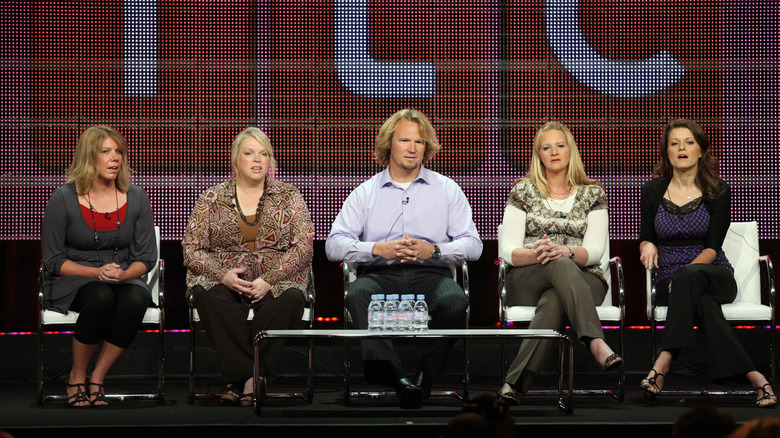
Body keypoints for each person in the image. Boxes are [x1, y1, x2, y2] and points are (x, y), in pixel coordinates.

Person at [325, 108, 483, 408]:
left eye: (419, 142)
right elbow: (334, 245)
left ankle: (425, 375)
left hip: (432, 275)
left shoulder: (447, 189)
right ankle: (398, 379)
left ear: (428, 149)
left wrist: (434, 250)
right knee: (358, 294)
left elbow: (474, 245)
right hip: (380, 275)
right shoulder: (365, 192)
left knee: (453, 301)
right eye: (405, 141)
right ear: (389, 144)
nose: (412, 148)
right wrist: (377, 249)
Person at [639, 119, 777, 408]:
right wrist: (646, 244)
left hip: (715, 275)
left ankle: (662, 362)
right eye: (674, 143)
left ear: (701, 150)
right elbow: (647, 237)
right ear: (666, 151)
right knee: (703, 304)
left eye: (688, 142)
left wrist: (688, 272)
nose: (681, 148)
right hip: (669, 280)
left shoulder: (718, 190)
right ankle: (756, 378)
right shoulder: (652, 191)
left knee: (691, 279)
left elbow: (713, 248)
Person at [183, 127, 314, 407]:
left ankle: (240, 380)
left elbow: (304, 246)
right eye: (249, 153)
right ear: (235, 159)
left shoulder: (289, 196)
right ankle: (252, 377)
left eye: (264, 154)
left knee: (284, 300)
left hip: (278, 278)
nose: (257, 160)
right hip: (225, 277)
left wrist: (270, 278)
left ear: (270, 161)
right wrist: (223, 275)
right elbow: (191, 249)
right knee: (211, 297)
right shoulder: (211, 199)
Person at [497, 121, 622, 403]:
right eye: (546, 147)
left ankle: (513, 384)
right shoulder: (523, 190)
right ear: (538, 154)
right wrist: (540, 253)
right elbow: (508, 250)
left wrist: (564, 252)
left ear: (571, 150)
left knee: (555, 296)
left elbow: (595, 252)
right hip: (528, 276)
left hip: (585, 280)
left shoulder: (593, 193)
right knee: (557, 261)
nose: (554, 152)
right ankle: (595, 341)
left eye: (560, 145)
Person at [41, 126, 157, 407]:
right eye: (106, 151)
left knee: (137, 297)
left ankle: (97, 379)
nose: (114, 158)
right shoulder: (63, 198)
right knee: (100, 297)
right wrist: (94, 273)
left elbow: (146, 256)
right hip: (74, 277)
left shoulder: (137, 197)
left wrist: (127, 274)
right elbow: (53, 260)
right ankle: (76, 378)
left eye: (118, 152)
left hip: (121, 276)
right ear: (89, 156)